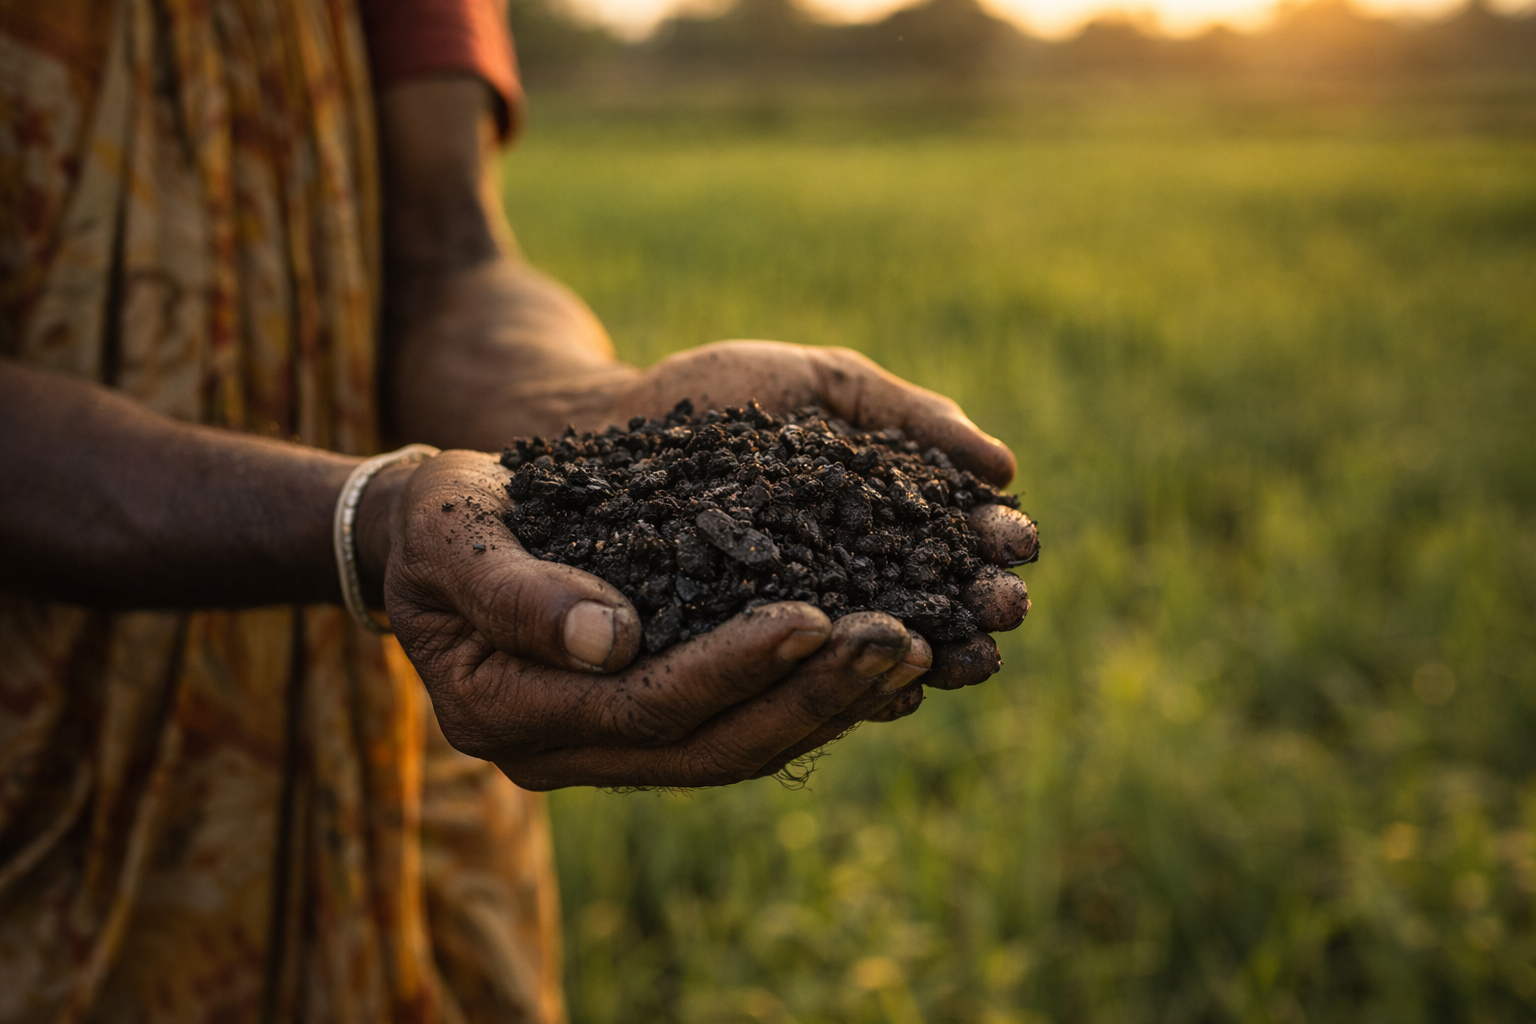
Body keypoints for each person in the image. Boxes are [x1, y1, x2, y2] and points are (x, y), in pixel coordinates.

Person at [0, 0, 1032, 1019]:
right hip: (55, 758)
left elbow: (450, 258)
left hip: (392, 730)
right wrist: (365, 515)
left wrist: (579, 413)